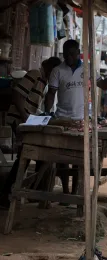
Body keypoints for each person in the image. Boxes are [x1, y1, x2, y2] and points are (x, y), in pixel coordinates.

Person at [44, 39, 107, 195]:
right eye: (66, 54)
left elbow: (104, 85)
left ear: (78, 53)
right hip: (62, 119)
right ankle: (66, 191)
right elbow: (50, 95)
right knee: (62, 158)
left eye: (72, 54)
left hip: (82, 121)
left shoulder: (88, 69)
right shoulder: (58, 71)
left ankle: (75, 191)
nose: (69, 57)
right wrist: (47, 114)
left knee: (79, 159)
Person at [0, 57, 62, 209]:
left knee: (31, 155)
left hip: (25, 121)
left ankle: (33, 191)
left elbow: (32, 103)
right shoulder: (35, 74)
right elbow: (17, 95)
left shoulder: (43, 82)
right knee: (25, 156)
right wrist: (25, 117)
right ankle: (6, 194)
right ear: (50, 68)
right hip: (19, 120)